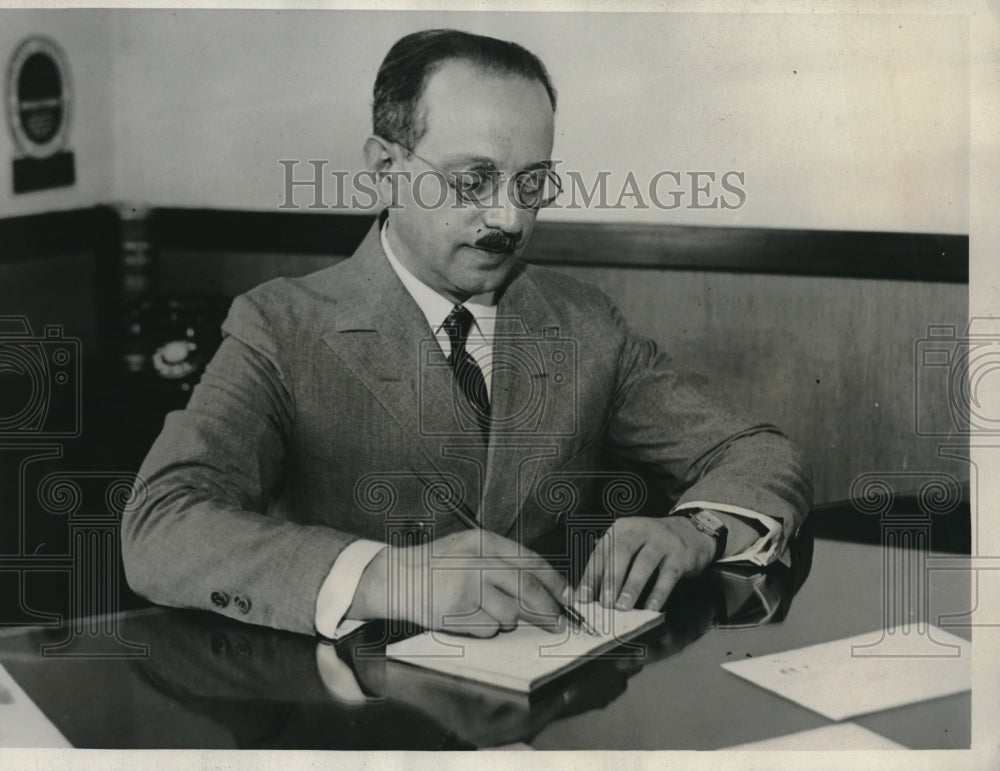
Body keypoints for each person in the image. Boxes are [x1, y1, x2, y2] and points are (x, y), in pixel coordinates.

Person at [122, 29, 812, 640]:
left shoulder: (583, 323)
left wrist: (696, 530)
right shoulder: (280, 327)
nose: (509, 218)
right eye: (474, 179)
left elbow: (753, 450)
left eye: (532, 182)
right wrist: (392, 578)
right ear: (387, 169)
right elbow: (161, 525)